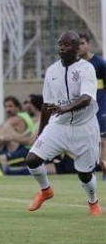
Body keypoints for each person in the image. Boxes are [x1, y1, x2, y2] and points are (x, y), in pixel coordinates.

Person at [25, 31, 101, 216]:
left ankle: (93, 204)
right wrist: (41, 132)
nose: (62, 47)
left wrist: (67, 108)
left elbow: (86, 98)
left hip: (85, 128)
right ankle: (46, 191)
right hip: (59, 126)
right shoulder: (52, 71)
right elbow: (46, 104)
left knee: (84, 174)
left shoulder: (86, 69)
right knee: (32, 159)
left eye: (67, 44)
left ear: (77, 48)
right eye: (60, 44)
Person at [79, 32, 106, 181]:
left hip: (101, 106)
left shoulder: (100, 64)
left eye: (83, 43)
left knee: (103, 140)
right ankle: (88, 170)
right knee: (87, 140)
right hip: (84, 109)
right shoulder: (76, 65)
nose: (81, 47)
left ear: (88, 44)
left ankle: (104, 169)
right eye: (78, 44)